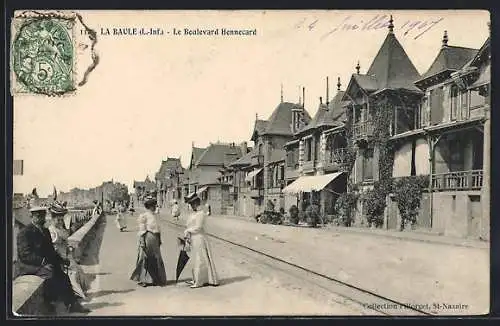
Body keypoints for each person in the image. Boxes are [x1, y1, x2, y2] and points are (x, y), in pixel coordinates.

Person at [14, 206, 90, 313]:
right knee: (50, 273)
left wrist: (62, 260)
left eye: (43, 215)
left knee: (63, 276)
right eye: (38, 216)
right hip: (30, 266)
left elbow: (51, 251)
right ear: (32, 217)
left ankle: (72, 304)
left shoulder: (45, 231)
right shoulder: (25, 232)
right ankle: (50, 304)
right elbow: (25, 255)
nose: (42, 218)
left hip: (43, 264)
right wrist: (43, 263)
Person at [48, 202, 90, 300]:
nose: (60, 222)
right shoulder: (51, 230)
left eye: (61, 219)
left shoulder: (61, 229)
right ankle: (76, 293)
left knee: (78, 270)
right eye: (57, 220)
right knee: (73, 273)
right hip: (59, 256)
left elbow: (66, 241)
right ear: (53, 219)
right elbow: (54, 246)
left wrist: (68, 248)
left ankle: (78, 292)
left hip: (66, 254)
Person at [130, 196, 167, 287]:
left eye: (155, 205)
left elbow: (158, 229)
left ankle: (155, 279)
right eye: (153, 206)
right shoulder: (144, 216)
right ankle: (144, 279)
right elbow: (142, 229)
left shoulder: (155, 216)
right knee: (145, 258)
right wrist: (142, 241)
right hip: (148, 237)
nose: (155, 207)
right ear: (149, 206)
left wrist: (159, 239)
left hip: (155, 238)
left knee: (156, 258)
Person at [183, 193, 219, 288]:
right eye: (190, 204)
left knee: (200, 259)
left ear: (197, 203)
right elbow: (189, 225)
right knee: (194, 259)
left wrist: (188, 230)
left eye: (193, 204)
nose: (191, 206)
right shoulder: (193, 214)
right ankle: (195, 278)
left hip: (199, 237)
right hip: (193, 237)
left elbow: (198, 227)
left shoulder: (200, 214)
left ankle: (199, 281)